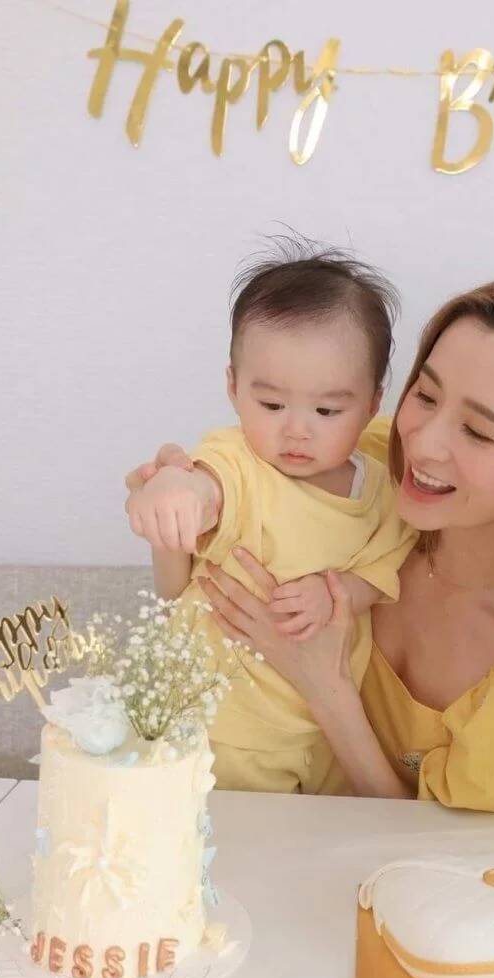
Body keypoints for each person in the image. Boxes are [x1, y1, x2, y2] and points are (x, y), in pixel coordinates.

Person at [127, 272, 494, 811]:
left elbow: (453, 859)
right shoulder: (363, 460)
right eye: (426, 395)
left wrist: (326, 688)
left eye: (477, 431)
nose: (422, 445)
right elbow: (226, 498)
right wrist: (174, 502)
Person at [125, 242, 416, 796]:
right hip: (227, 728)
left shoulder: (381, 489)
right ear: (234, 387)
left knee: (332, 842)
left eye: (327, 410)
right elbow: (205, 488)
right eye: (272, 405)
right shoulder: (239, 463)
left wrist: (338, 593)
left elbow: (382, 573)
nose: (296, 430)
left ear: (373, 403)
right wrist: (175, 490)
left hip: (324, 728)